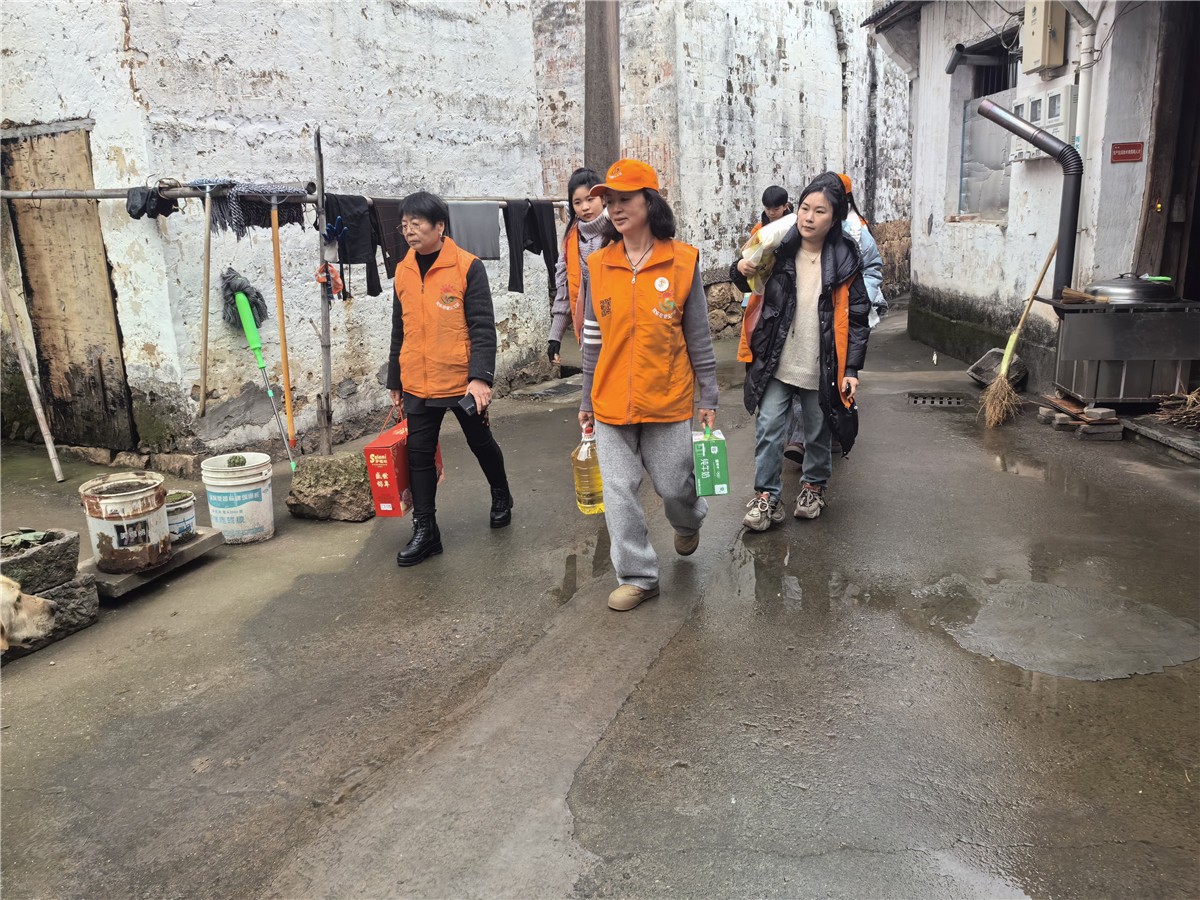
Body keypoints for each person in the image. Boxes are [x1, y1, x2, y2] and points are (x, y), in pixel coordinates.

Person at [578, 159, 719, 611]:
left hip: (667, 396)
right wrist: (586, 398)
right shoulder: (598, 264)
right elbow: (592, 338)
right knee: (619, 490)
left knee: (675, 486)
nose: (615, 209)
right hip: (610, 400)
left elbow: (698, 335)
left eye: (625, 199)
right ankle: (638, 576)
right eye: (610, 201)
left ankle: (688, 521)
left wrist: (709, 394)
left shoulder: (682, 261)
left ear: (649, 202)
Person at [731, 173, 870, 530]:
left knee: (817, 429)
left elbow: (857, 317)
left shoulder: (846, 258)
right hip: (778, 357)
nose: (809, 217)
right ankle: (767, 496)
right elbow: (748, 278)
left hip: (821, 362)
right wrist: (740, 269)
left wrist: (851, 369)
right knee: (768, 426)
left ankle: (813, 487)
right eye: (805, 208)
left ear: (835, 218)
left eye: (819, 211)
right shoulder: (778, 246)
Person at [385, 191, 513, 567]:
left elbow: (482, 326)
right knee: (419, 454)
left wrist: (480, 378)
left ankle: (501, 494)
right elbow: (399, 328)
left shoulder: (467, 266)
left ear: (439, 226)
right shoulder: (403, 270)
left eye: (417, 224)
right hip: (417, 380)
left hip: (460, 380)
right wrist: (395, 378)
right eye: (404, 225)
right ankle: (426, 530)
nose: (409, 231)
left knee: (480, 442)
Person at [782, 172, 886, 465]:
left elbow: (872, 269)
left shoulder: (856, 231)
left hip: (844, 319)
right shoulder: (799, 229)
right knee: (803, 382)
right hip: (809, 320)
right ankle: (800, 438)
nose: (811, 215)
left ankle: (825, 436)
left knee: (834, 380)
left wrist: (854, 299)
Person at [547, 167, 607, 365]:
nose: (585, 207)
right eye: (578, 202)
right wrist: (555, 337)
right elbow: (566, 290)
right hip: (589, 330)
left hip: (619, 328)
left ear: (603, 199)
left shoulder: (618, 232)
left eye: (590, 199)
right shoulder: (571, 239)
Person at [736, 186, 792, 364]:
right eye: (768, 209)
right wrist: (740, 266)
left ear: (785, 206)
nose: (771, 213)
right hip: (762, 292)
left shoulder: (795, 227)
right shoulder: (758, 230)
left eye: (776, 209)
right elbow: (746, 257)